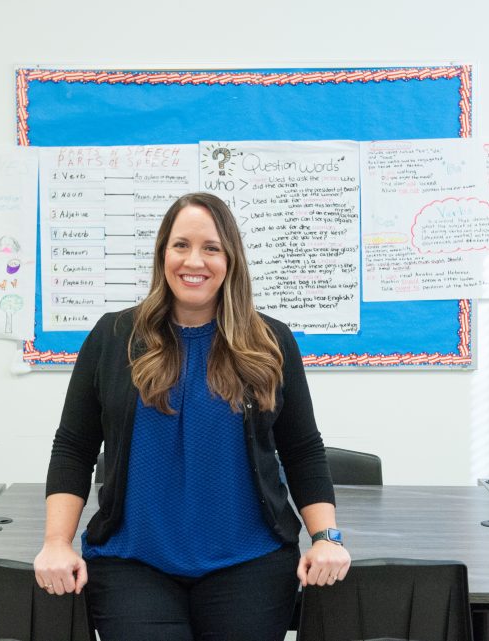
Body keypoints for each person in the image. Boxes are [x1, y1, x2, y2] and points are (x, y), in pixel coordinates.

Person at [34, 192, 350, 641]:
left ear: (230, 259)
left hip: (249, 561)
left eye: (211, 248)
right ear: (163, 253)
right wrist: (56, 543)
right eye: (181, 245)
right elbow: (74, 445)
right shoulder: (114, 336)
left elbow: (302, 450)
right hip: (134, 561)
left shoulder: (271, 341)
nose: (193, 260)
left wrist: (326, 538)